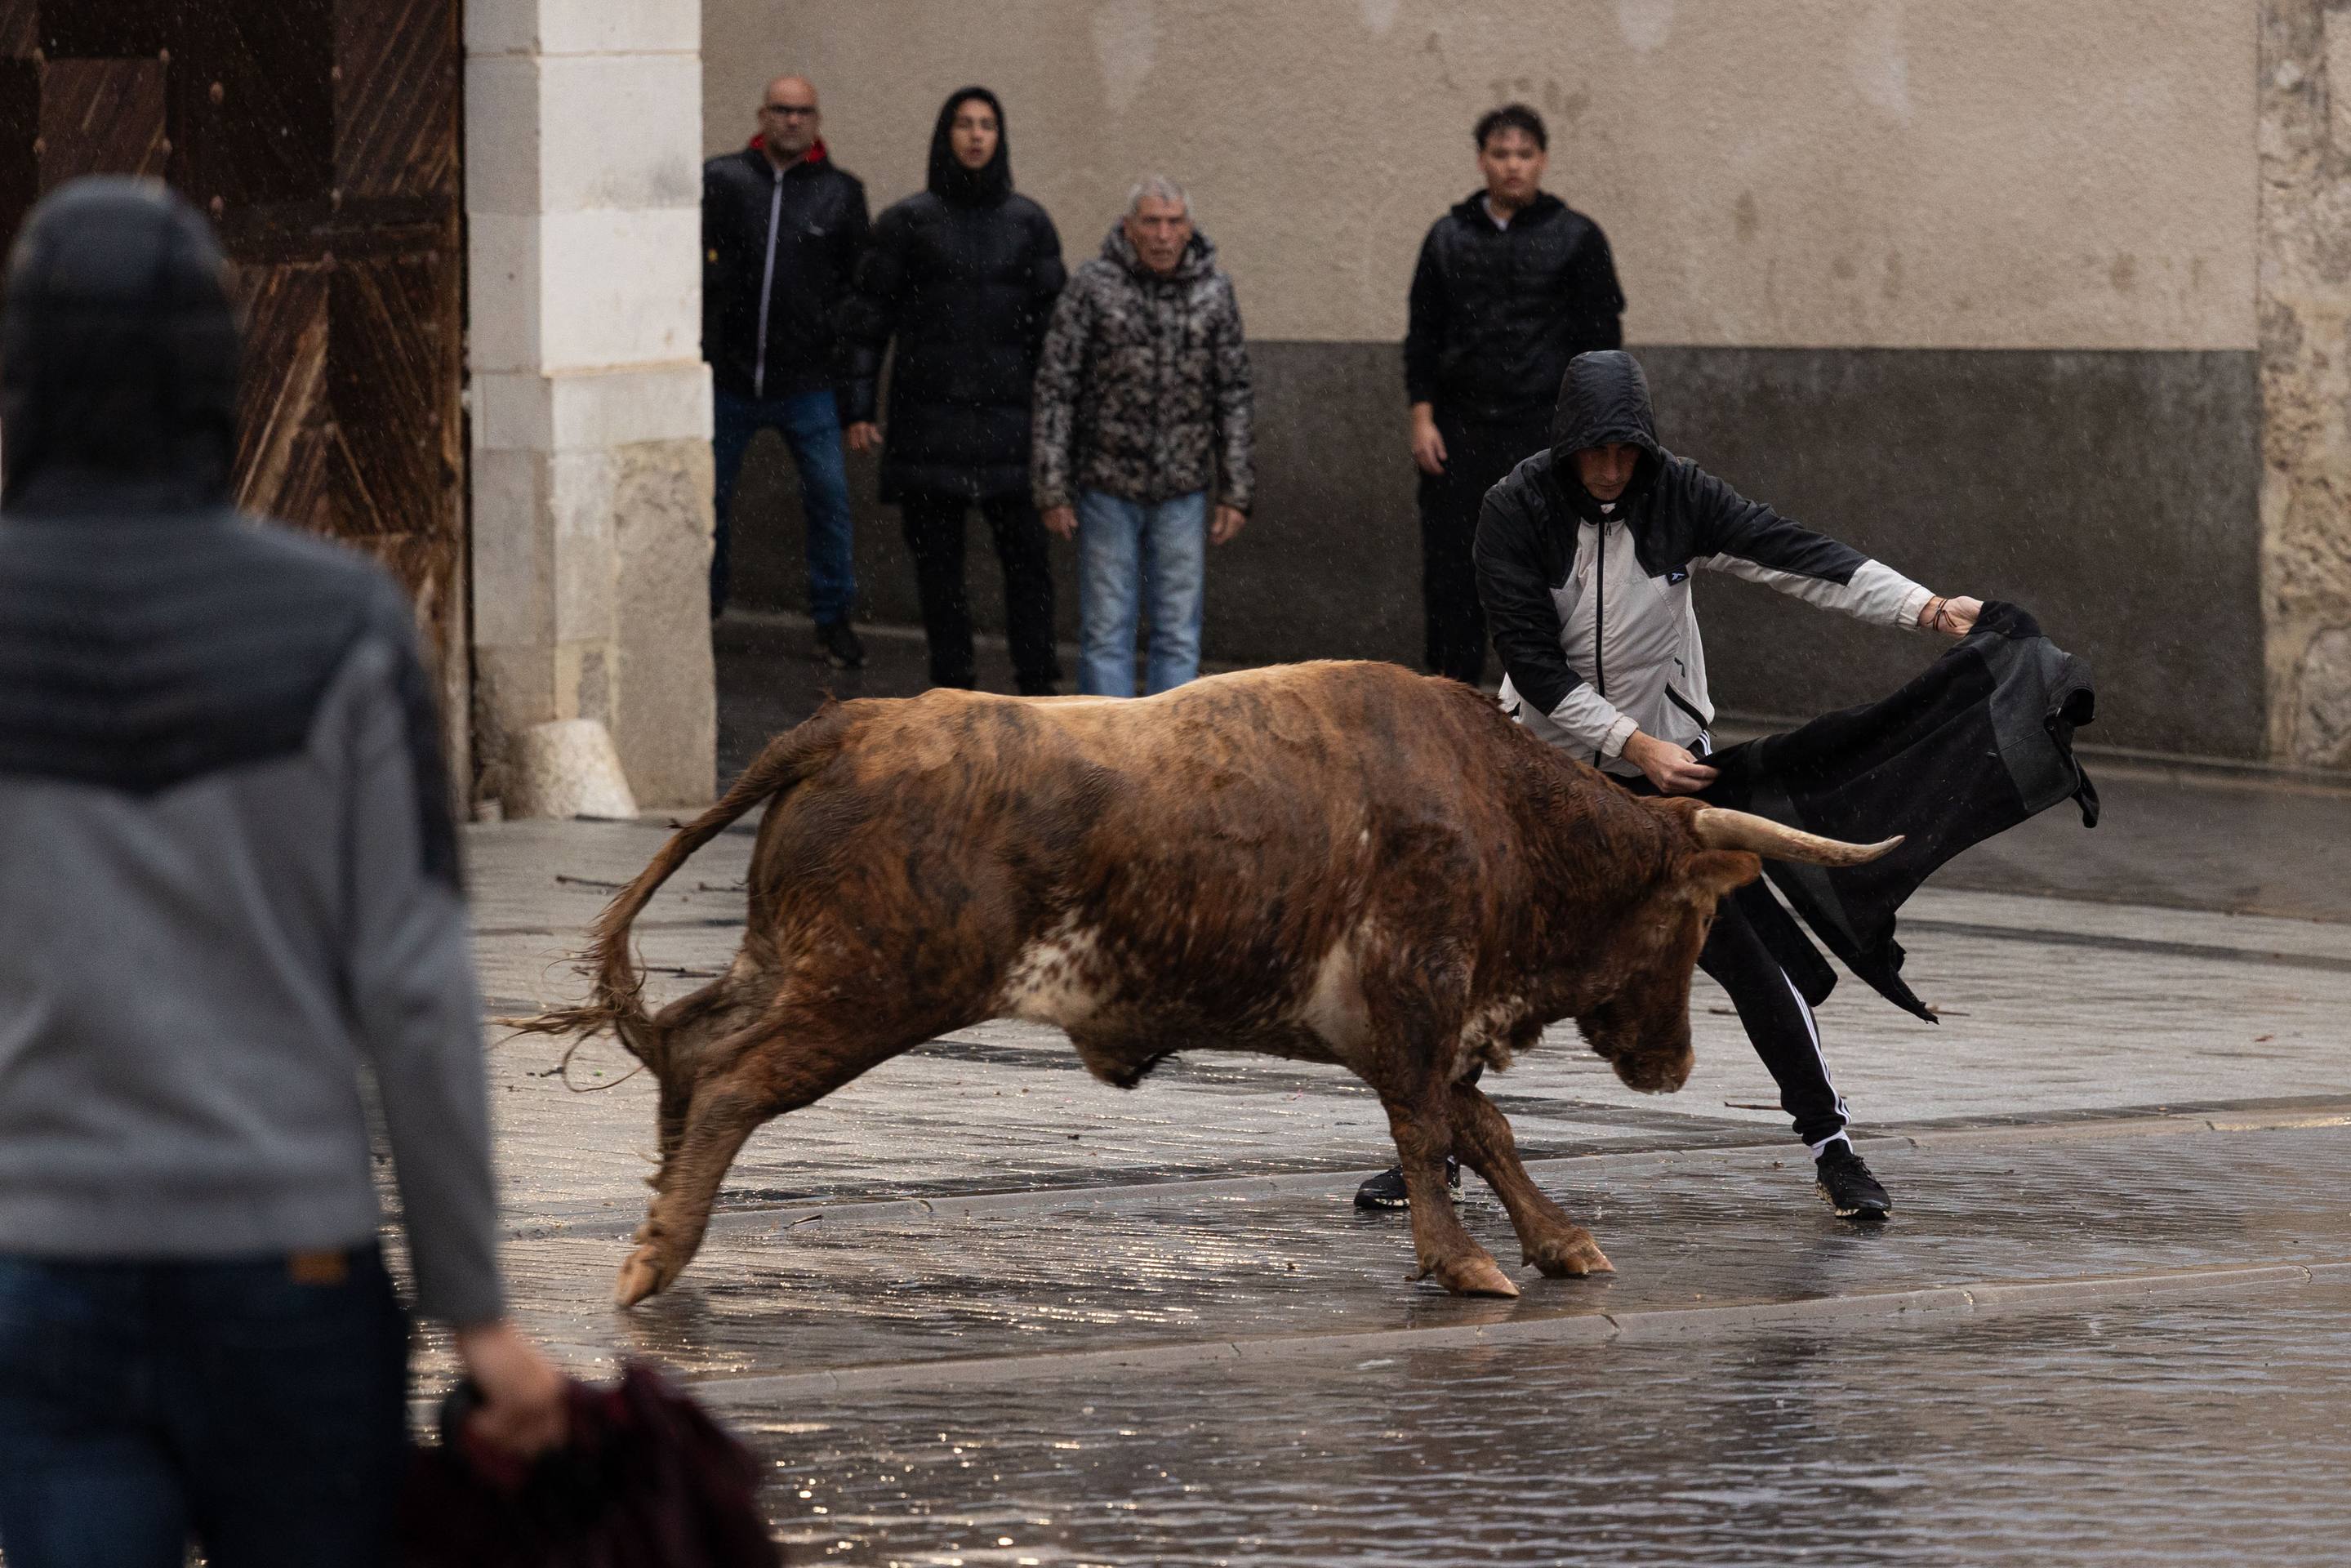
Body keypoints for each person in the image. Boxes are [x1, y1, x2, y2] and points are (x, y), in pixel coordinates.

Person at [0, 179, 565, 1566]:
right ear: (219, 375)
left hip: (42, 1265)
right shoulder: (345, 629)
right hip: (290, 1264)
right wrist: (473, 1307)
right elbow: (415, 986)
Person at [1367, 350, 1985, 1220]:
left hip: (1666, 767)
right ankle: (1429, 1151)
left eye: (1626, 452)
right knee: (1483, 955)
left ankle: (1830, 1144)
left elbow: (1797, 556)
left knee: (1739, 949)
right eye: (1596, 454)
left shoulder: (1679, 493)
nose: (1612, 470)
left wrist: (1923, 607)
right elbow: (1534, 669)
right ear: (1566, 447)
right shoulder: (1514, 511)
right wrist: (1631, 745)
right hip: (1539, 771)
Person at [839, 87, 1066, 695]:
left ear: (1000, 137)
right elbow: (869, 320)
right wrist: (858, 406)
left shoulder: (1028, 223)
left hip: (1010, 427)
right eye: (963, 124)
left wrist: (1061, 428)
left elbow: (1056, 337)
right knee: (939, 572)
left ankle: (1039, 690)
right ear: (946, 135)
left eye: (987, 125)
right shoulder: (907, 222)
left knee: (1027, 567)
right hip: (928, 424)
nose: (974, 136)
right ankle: (954, 690)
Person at [1405, 102, 1623, 688]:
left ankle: (1555, 700)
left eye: (1523, 155)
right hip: (1457, 432)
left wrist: (1591, 437)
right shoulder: (1447, 238)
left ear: (1542, 161)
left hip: (1544, 433)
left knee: (1548, 568)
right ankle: (1453, 696)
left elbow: (1602, 347)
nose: (1512, 166)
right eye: (1500, 154)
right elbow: (1422, 335)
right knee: (1454, 568)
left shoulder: (1576, 238)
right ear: (1481, 161)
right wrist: (1422, 417)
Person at [1032, 175, 1253, 697]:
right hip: (1105, 486)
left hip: (1185, 490)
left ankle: (1168, 756)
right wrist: (1051, 486)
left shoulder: (1214, 292)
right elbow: (1056, 386)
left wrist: (1236, 489)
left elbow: (1234, 394)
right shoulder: (1093, 286)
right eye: (1151, 222)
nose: (1162, 234)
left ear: (1189, 228)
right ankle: (1108, 762)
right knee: (1106, 629)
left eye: (1174, 222)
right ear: (1129, 227)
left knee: (1178, 633)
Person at [703, 73, 870, 666]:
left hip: (808, 384)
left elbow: (857, 302)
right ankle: (703, 607)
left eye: (802, 111)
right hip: (728, 380)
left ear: (816, 120)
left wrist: (856, 400)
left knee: (828, 500)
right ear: (762, 115)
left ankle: (833, 619)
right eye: (780, 110)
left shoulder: (841, 194)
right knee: (707, 501)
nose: (791, 121)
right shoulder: (723, 180)